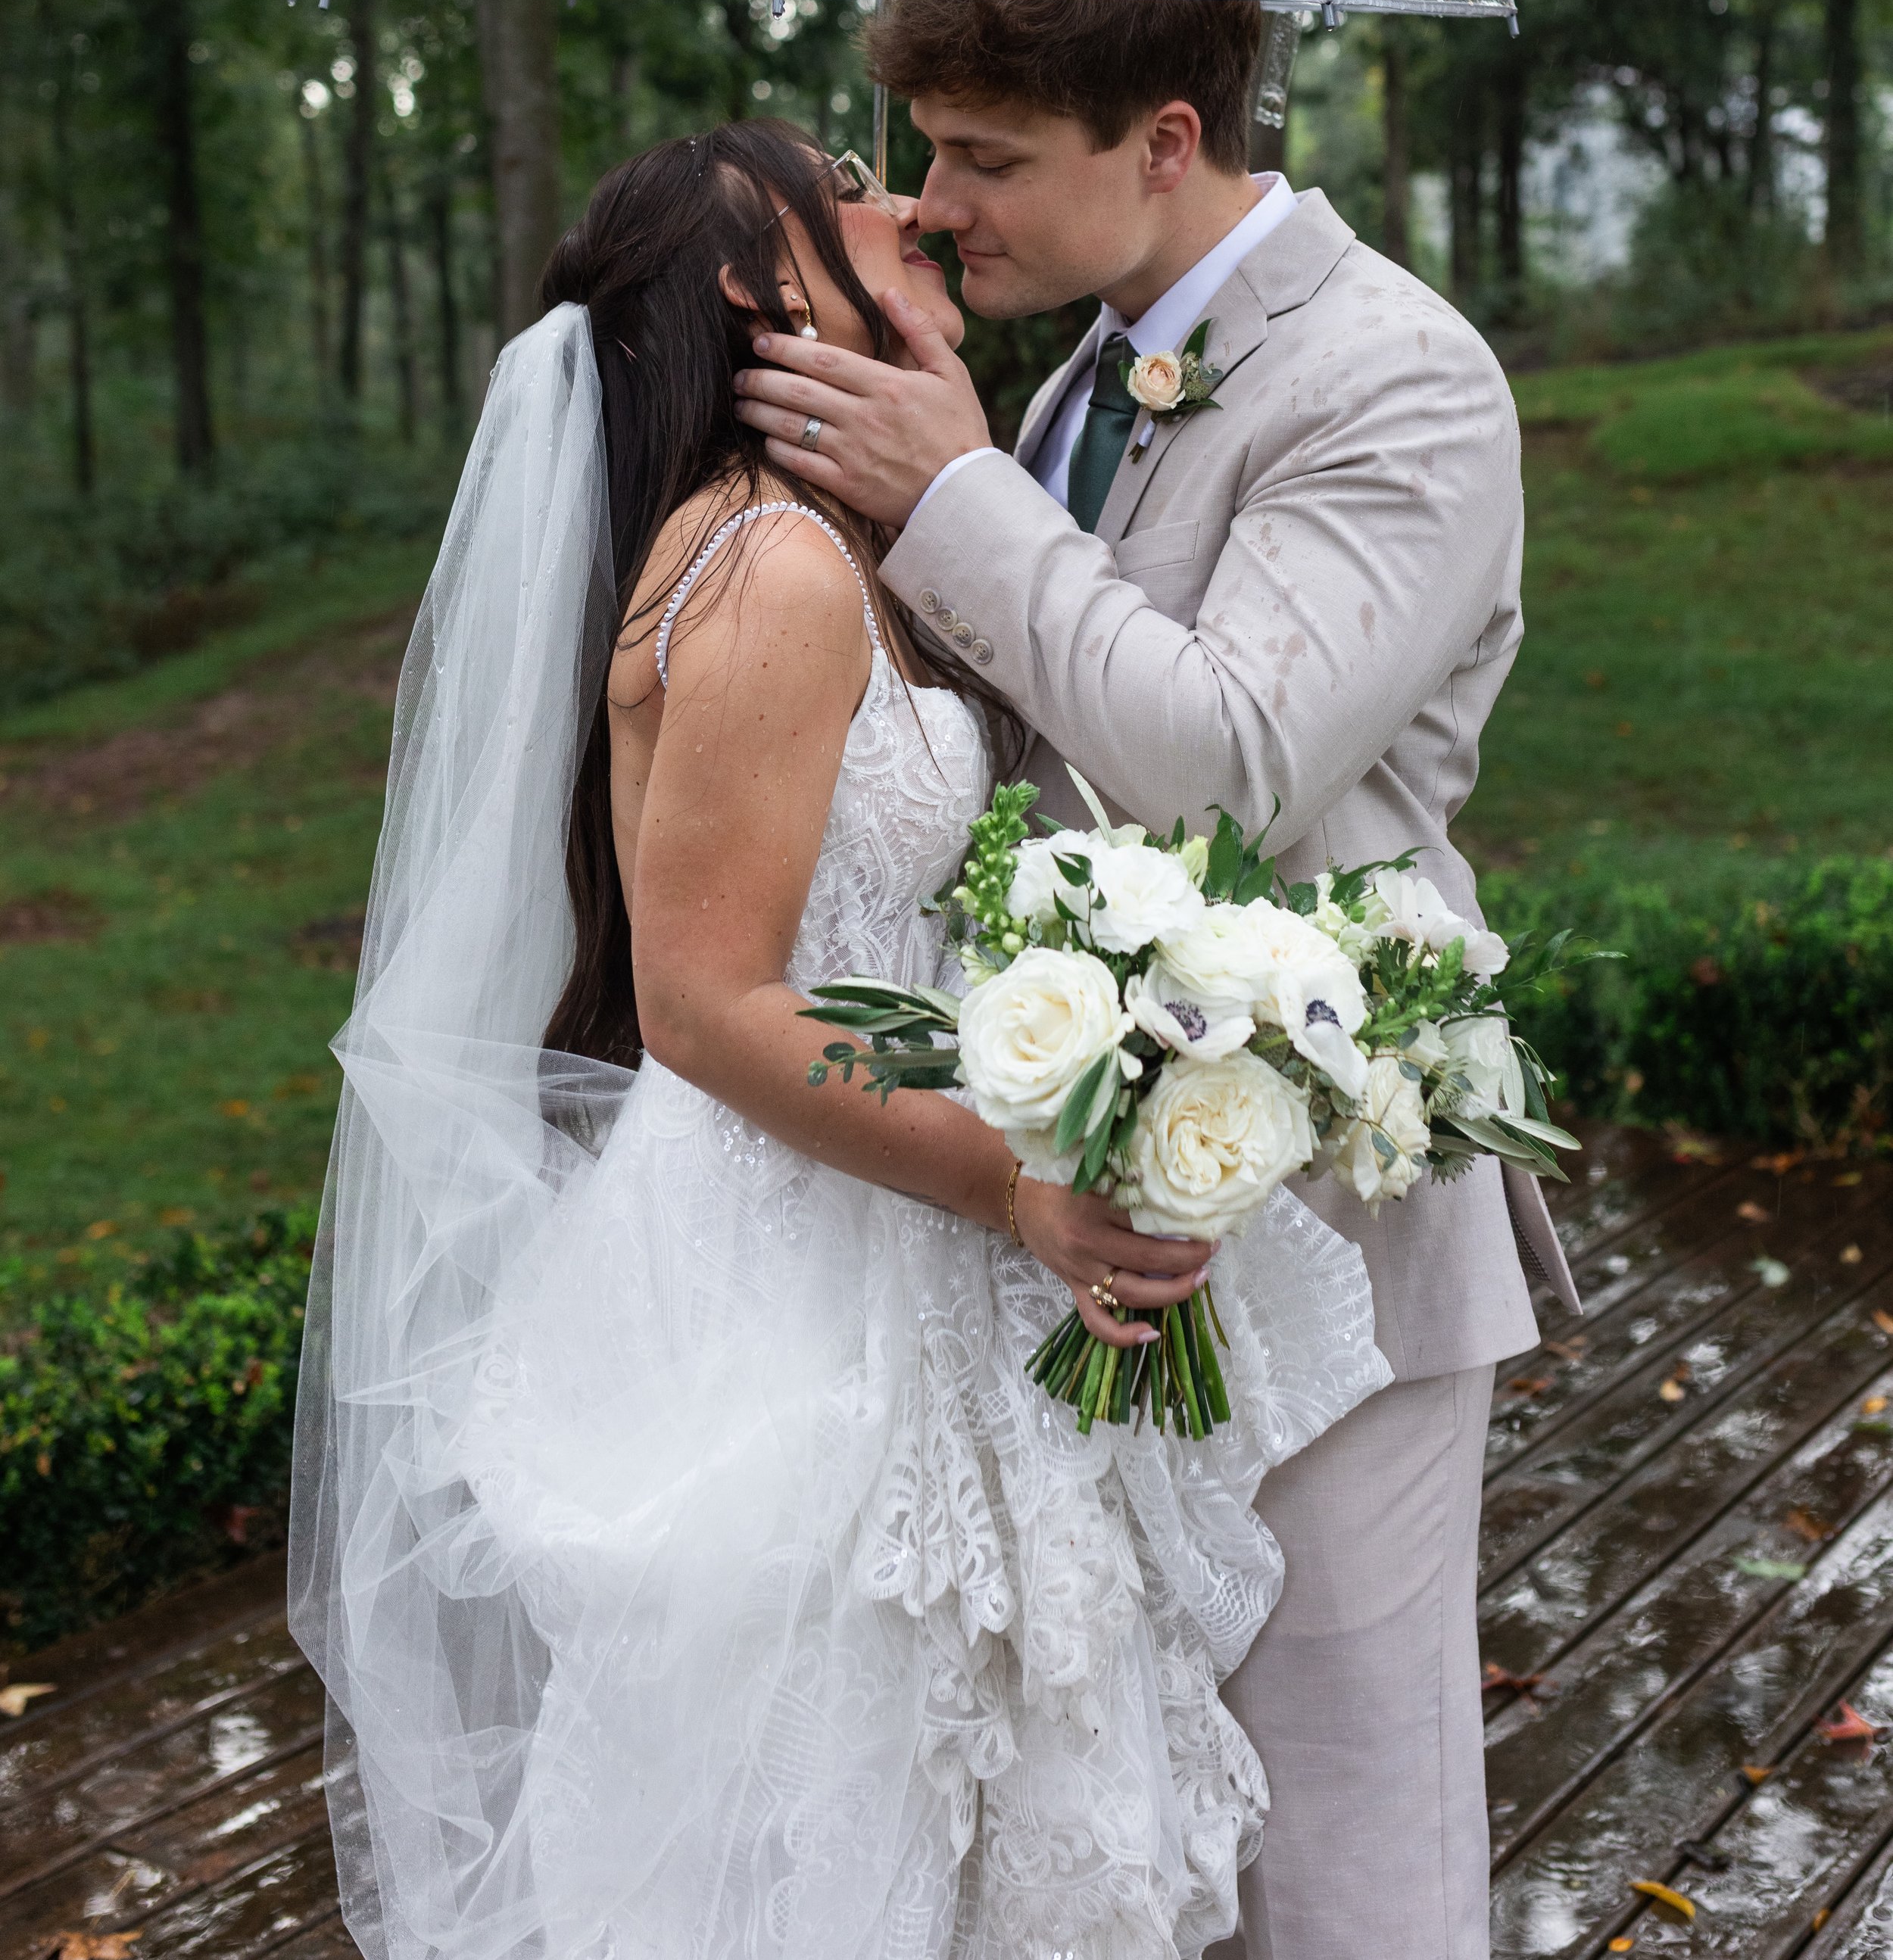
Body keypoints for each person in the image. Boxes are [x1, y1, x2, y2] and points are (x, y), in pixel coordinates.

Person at [289, 116, 1386, 1960]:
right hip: (806, 1279)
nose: (902, 201)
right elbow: (704, 1009)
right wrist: (1017, 1188)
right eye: (847, 180)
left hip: (874, 1231)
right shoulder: (769, 571)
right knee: (836, 1821)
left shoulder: (826, 541)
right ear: (754, 278)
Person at [731, 0, 1583, 1960]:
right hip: (1089, 1196)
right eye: (928, 147)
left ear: (1168, 138)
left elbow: (1228, 757)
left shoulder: (1397, 379)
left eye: (987, 156)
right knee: (1135, 1809)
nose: (938, 204)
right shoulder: (1073, 384)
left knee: (1344, 1831)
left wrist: (950, 498)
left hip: (1333, 1209)